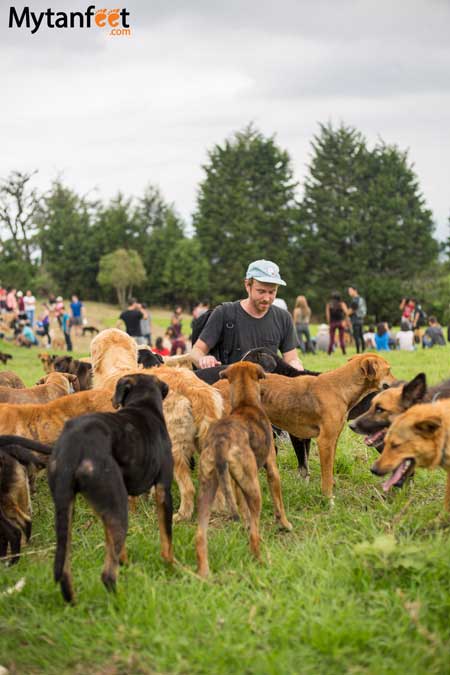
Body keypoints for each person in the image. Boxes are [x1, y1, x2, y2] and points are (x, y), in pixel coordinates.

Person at [190, 259, 303, 371]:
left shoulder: (284, 318)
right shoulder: (224, 313)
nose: (267, 298)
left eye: (272, 292)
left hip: (267, 386)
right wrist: (204, 359)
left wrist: (295, 364)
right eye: (261, 291)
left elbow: (291, 358)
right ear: (247, 285)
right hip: (229, 385)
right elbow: (196, 351)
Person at [348, 285, 367, 354]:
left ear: (355, 290)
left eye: (350, 291)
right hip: (361, 319)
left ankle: (358, 351)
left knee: (356, 336)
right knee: (361, 335)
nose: (349, 293)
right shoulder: (361, 299)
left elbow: (352, 310)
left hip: (355, 319)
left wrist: (346, 313)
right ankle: (363, 348)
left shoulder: (355, 300)